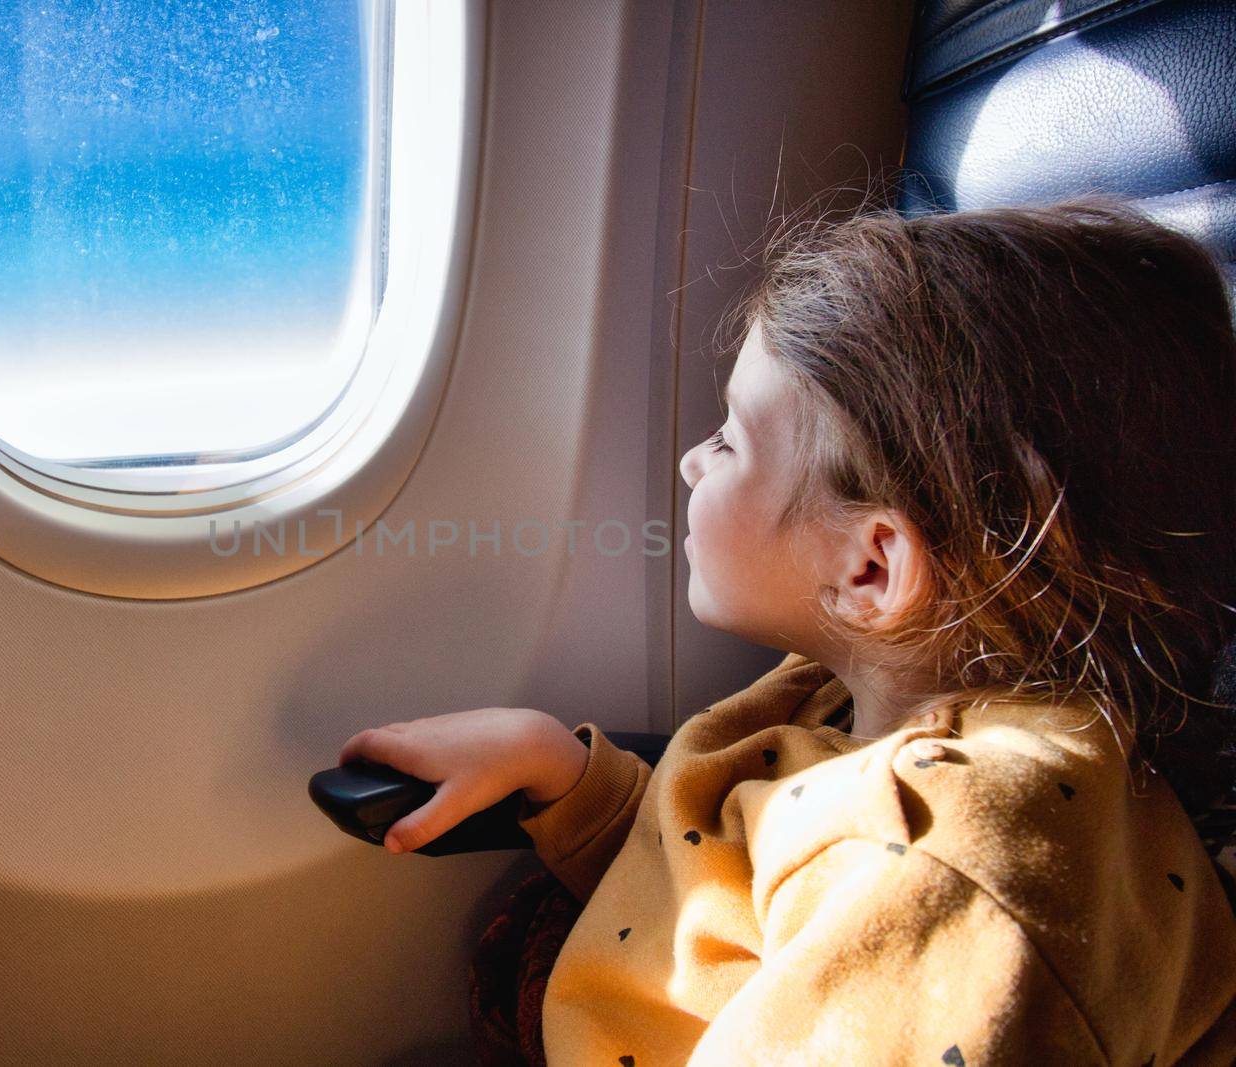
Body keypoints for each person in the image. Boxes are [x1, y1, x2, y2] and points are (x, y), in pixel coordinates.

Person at [338, 195, 1236, 1064]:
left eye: (729, 440)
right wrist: (568, 778)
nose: (693, 459)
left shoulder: (941, 880)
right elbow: (742, 890)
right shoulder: (851, 692)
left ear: (870, 568)